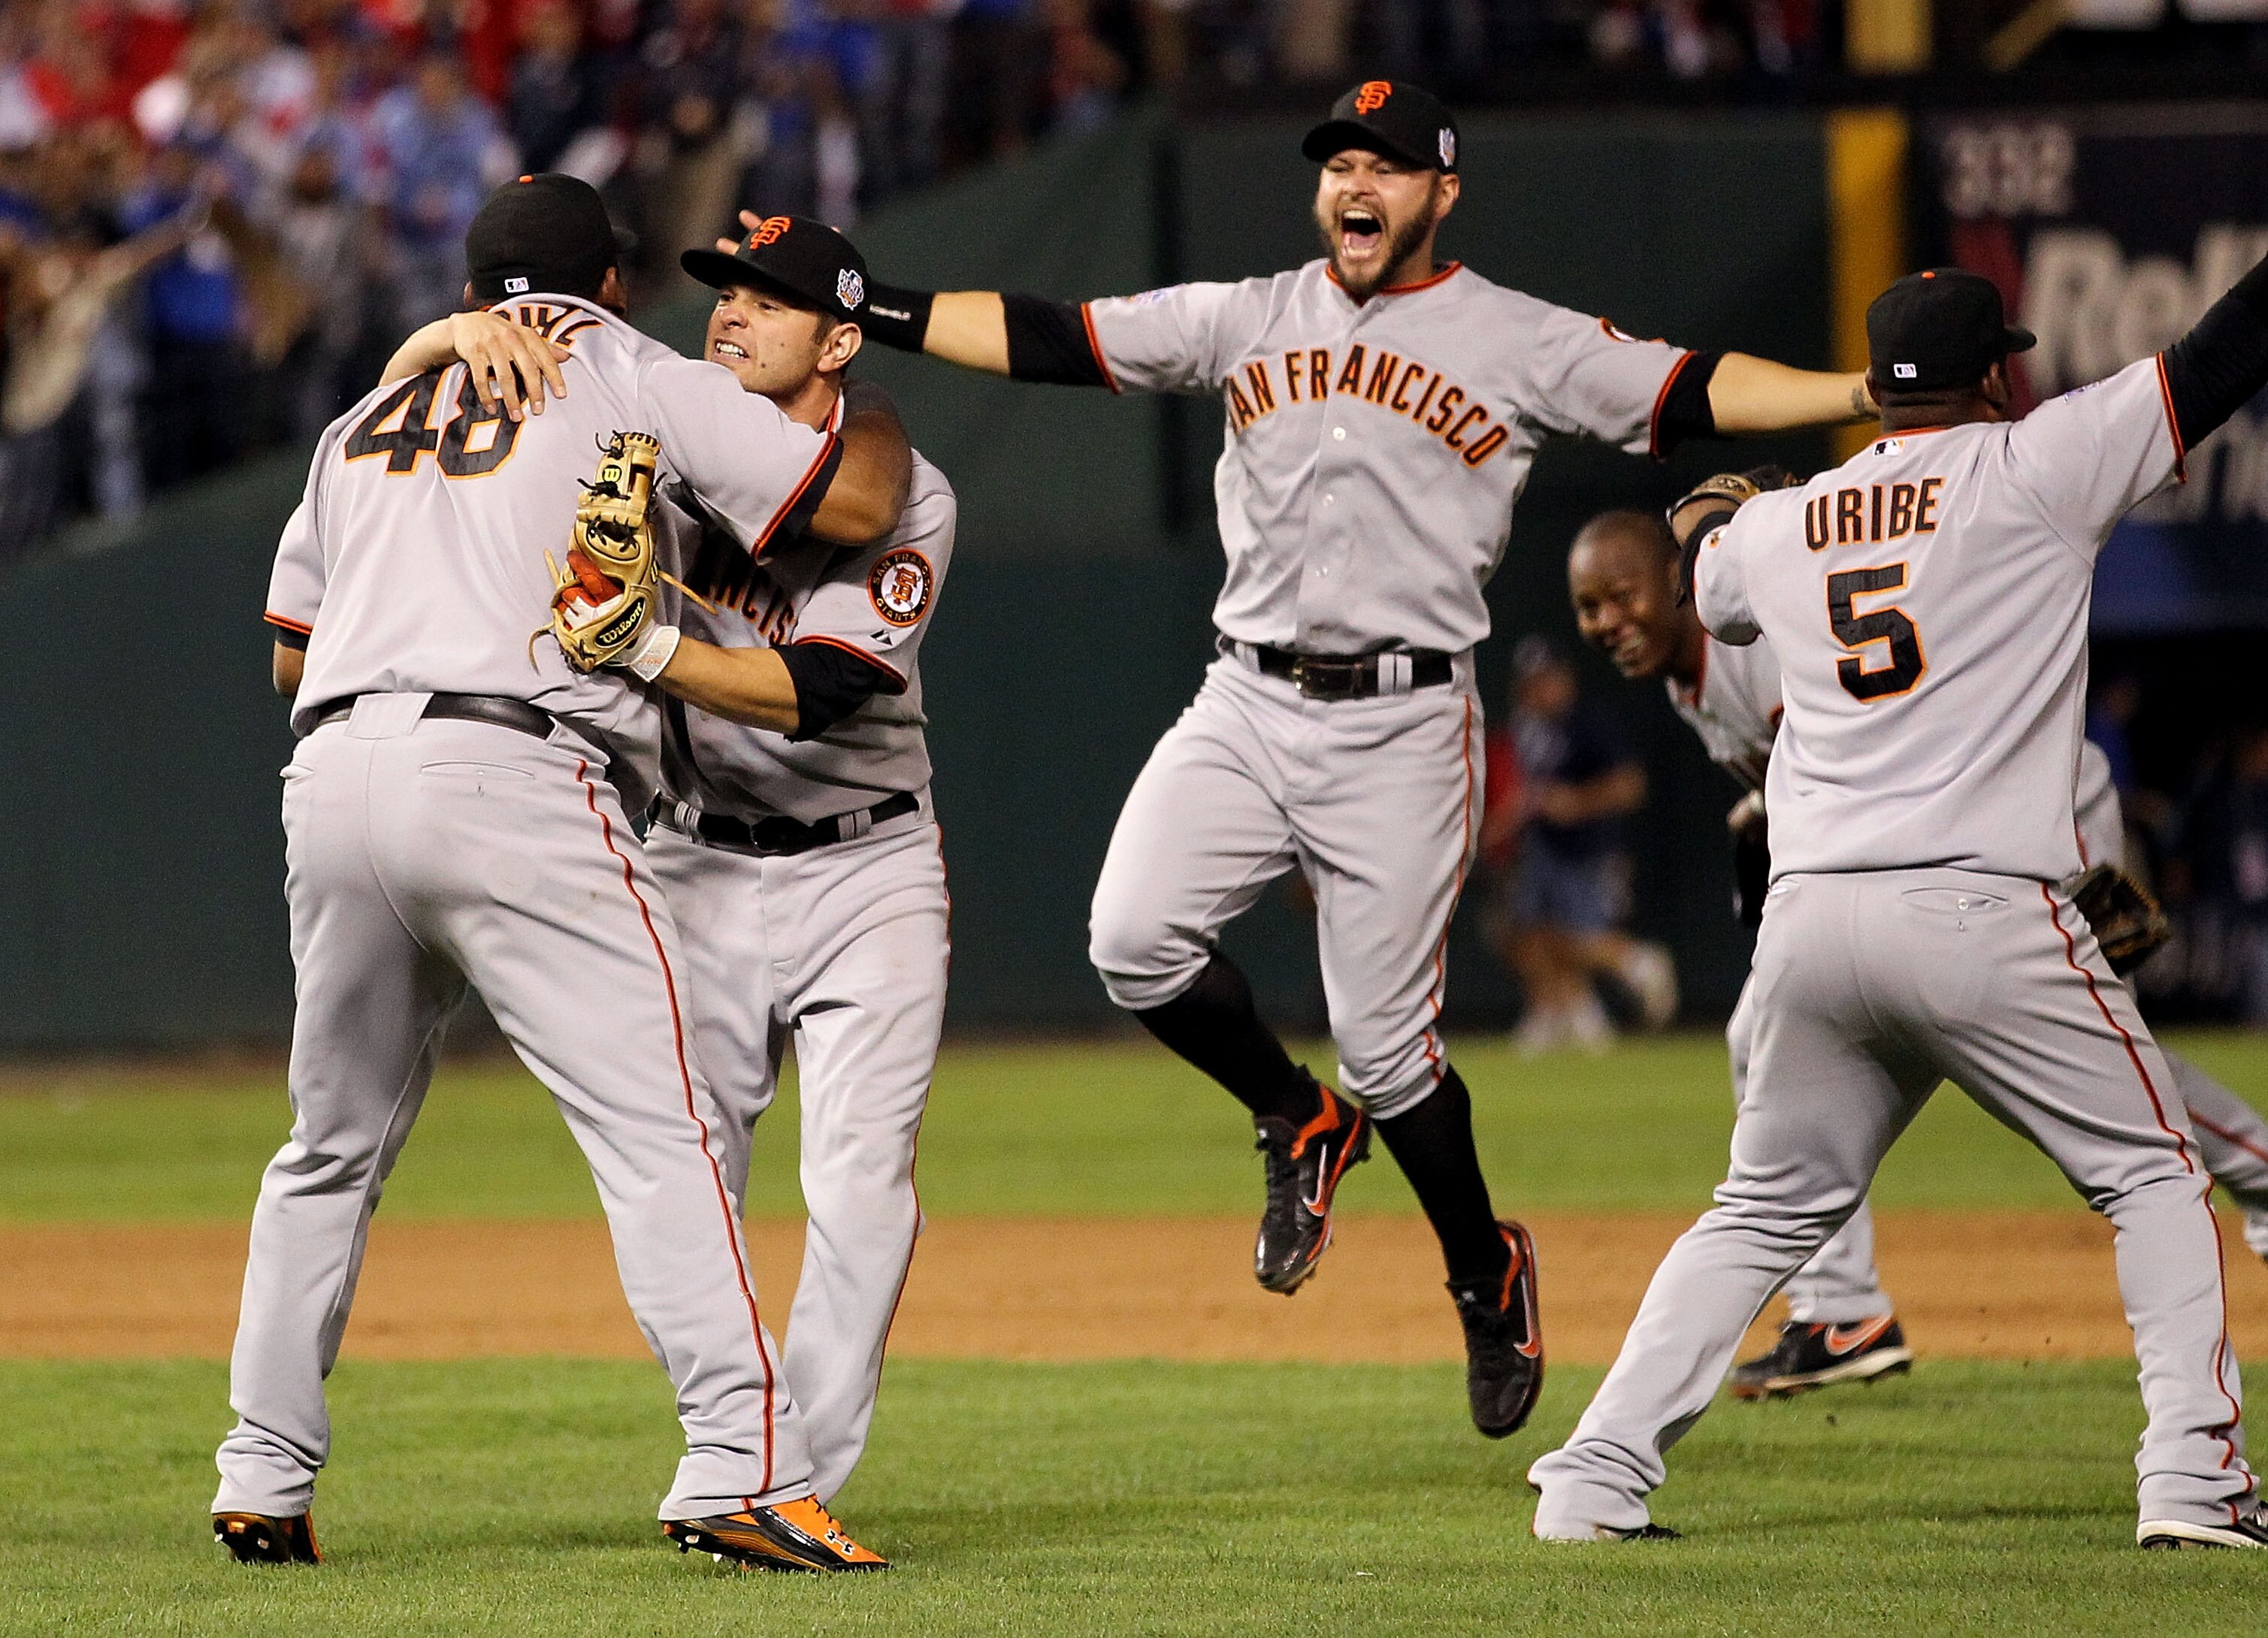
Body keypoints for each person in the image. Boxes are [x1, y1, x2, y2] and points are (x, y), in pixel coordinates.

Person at [815, 78, 1874, 1437]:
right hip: (1247, 697)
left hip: (1402, 719)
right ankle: (1294, 1119)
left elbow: (1691, 388)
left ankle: (1485, 1268)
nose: (1352, 184)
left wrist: (1853, 389)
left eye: (1384, 166)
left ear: (1440, 193)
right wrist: (880, 311)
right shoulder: (1250, 313)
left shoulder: (1515, 337)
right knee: (1133, 940)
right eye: (1336, 165)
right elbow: (1053, 336)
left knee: (1390, 1051)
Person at [1529, 53, 2268, 1548]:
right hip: (1986, 907)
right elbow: (2240, 340)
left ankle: (1592, 1478)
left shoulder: (1795, 522)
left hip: (1815, 921)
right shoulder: (2036, 465)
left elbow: (1703, 565)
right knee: (2147, 1177)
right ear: (1992, 373)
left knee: (1757, 1211)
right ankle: (2196, 1483)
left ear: (1881, 389)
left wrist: (1714, 509)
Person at [218, 174, 909, 1573]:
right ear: (615, 280)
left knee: (327, 1147)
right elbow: (849, 498)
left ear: (476, 290)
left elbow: (290, 648)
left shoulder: (367, 414)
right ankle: (742, 1465)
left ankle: (262, 1470)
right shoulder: (632, 366)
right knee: (660, 1132)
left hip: (335, 769)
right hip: (514, 769)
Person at [404, 216, 954, 1510]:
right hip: (697, 857)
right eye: (723, 292)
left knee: (860, 1181)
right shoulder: (656, 452)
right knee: (679, 1167)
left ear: (836, 337)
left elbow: (820, 688)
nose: (730, 315)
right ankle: (753, 1447)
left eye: (766, 299)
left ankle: (792, 1470)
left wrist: (641, 649)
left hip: (867, 872)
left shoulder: (908, 489)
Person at [1565, 506, 2268, 1400]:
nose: (1604, 621)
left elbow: (1861, 746)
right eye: (1587, 607)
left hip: (2028, 817)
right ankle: (1840, 1307)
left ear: (1680, 579)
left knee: (2095, 1078)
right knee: (2079, 1066)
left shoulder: (1747, 644)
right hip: (1956, 836)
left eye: (1621, 594)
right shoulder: (1689, 674)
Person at [1493, 633, 1676, 1053]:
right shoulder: (1526, 728)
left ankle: (1637, 962)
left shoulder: (1587, 723)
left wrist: (1577, 802)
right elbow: (1526, 790)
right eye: (1530, 682)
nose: (1538, 689)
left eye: (1546, 679)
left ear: (1565, 679)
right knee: (1527, 935)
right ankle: (1570, 1013)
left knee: (1578, 936)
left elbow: (1632, 785)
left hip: (1590, 849)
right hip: (1543, 850)